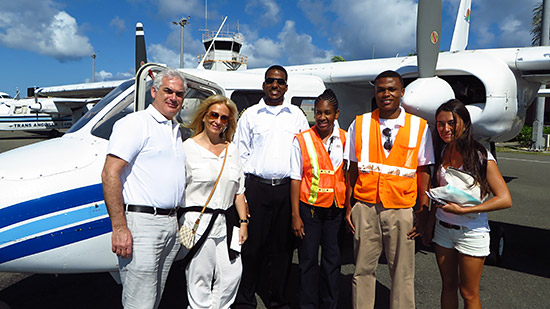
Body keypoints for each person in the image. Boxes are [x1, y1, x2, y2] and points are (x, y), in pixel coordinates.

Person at [344, 70, 434, 309]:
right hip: (365, 206)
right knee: (362, 270)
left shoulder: (419, 127)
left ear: (402, 92)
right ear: (375, 92)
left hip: (401, 209)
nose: (386, 94)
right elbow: (352, 167)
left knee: (402, 273)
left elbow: (423, 171)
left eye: (392, 89)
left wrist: (423, 209)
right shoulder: (360, 124)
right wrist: (348, 205)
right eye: (381, 89)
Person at [101, 68, 187, 308]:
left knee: (155, 296)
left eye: (179, 94)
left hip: (170, 224)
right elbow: (110, 173)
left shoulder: (175, 130)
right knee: (140, 300)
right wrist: (119, 227)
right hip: (143, 224)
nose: (173, 97)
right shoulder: (136, 124)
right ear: (153, 92)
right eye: (168, 91)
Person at [233, 65, 309, 308]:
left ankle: (276, 299)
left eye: (280, 82)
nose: (275, 86)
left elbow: (305, 152)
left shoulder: (296, 115)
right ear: (263, 85)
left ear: (286, 86)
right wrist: (242, 194)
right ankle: (245, 300)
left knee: (282, 249)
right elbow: (240, 155)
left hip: (287, 190)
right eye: (270, 81)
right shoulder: (251, 115)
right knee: (252, 247)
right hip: (256, 189)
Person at [425, 99, 512, 309]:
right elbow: (439, 194)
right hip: (443, 229)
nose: (445, 128)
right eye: (440, 123)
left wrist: (467, 210)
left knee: (468, 292)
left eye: (451, 123)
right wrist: (429, 225)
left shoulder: (480, 155)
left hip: (472, 231)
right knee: (448, 286)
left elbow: (504, 198)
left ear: (464, 123)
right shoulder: (441, 151)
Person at [181, 95, 249, 309]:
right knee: (199, 278)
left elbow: (239, 191)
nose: (218, 121)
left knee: (232, 274)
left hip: (228, 223)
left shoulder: (232, 149)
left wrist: (244, 222)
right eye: (214, 115)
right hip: (197, 223)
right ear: (204, 116)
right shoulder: (186, 149)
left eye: (224, 118)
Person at [290, 89, 346, 308]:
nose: (322, 117)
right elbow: (296, 178)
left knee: (332, 262)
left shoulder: (344, 138)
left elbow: (348, 175)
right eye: (318, 112)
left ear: (336, 114)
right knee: (308, 262)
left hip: (335, 211)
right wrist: (295, 215)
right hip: (309, 210)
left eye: (327, 113)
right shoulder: (302, 140)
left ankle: (329, 304)